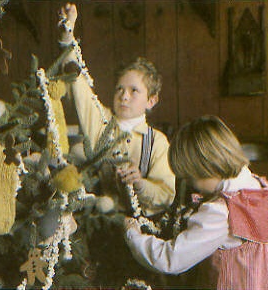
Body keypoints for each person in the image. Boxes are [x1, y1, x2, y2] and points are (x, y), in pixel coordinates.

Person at [57, 3, 176, 285]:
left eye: (134, 91)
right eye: (119, 89)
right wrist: (67, 34)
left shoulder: (156, 142)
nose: (124, 96)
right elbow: (77, 82)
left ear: (151, 101)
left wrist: (140, 183)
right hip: (95, 235)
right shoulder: (99, 125)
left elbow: (166, 194)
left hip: (137, 241)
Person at [125, 115, 268, 289]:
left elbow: (171, 259)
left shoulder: (221, 211)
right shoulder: (263, 189)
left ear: (206, 168)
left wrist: (132, 234)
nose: (190, 185)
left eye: (189, 177)